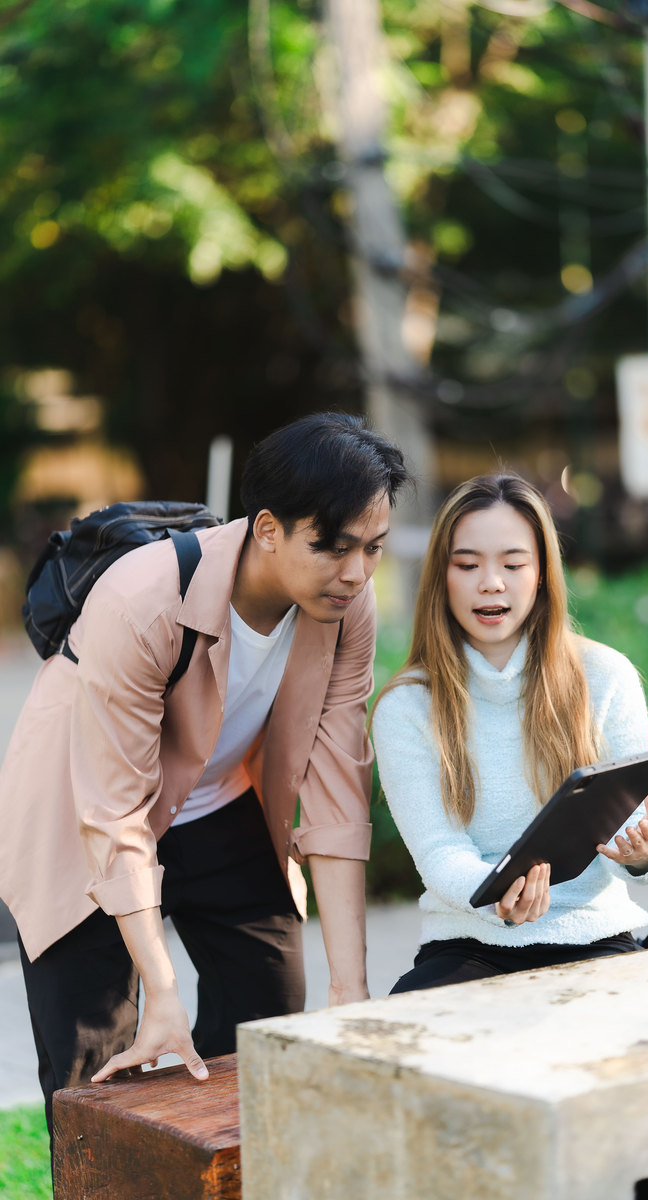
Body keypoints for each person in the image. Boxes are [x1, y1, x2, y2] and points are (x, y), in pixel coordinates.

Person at [0, 411, 409, 1136]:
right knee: (94, 1058)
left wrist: (353, 990)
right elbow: (115, 811)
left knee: (269, 1001)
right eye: (333, 547)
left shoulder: (346, 607)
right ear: (268, 528)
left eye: (373, 549)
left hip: (217, 803)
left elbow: (338, 791)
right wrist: (162, 990)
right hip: (83, 812)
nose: (355, 572)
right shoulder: (142, 597)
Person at [371, 472, 648, 994]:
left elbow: (639, 844)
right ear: (441, 575)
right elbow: (440, 853)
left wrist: (646, 852)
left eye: (513, 564)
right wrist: (495, 896)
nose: (492, 583)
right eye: (468, 565)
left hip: (596, 936)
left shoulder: (606, 677)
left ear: (542, 574)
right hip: (468, 945)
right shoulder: (406, 706)